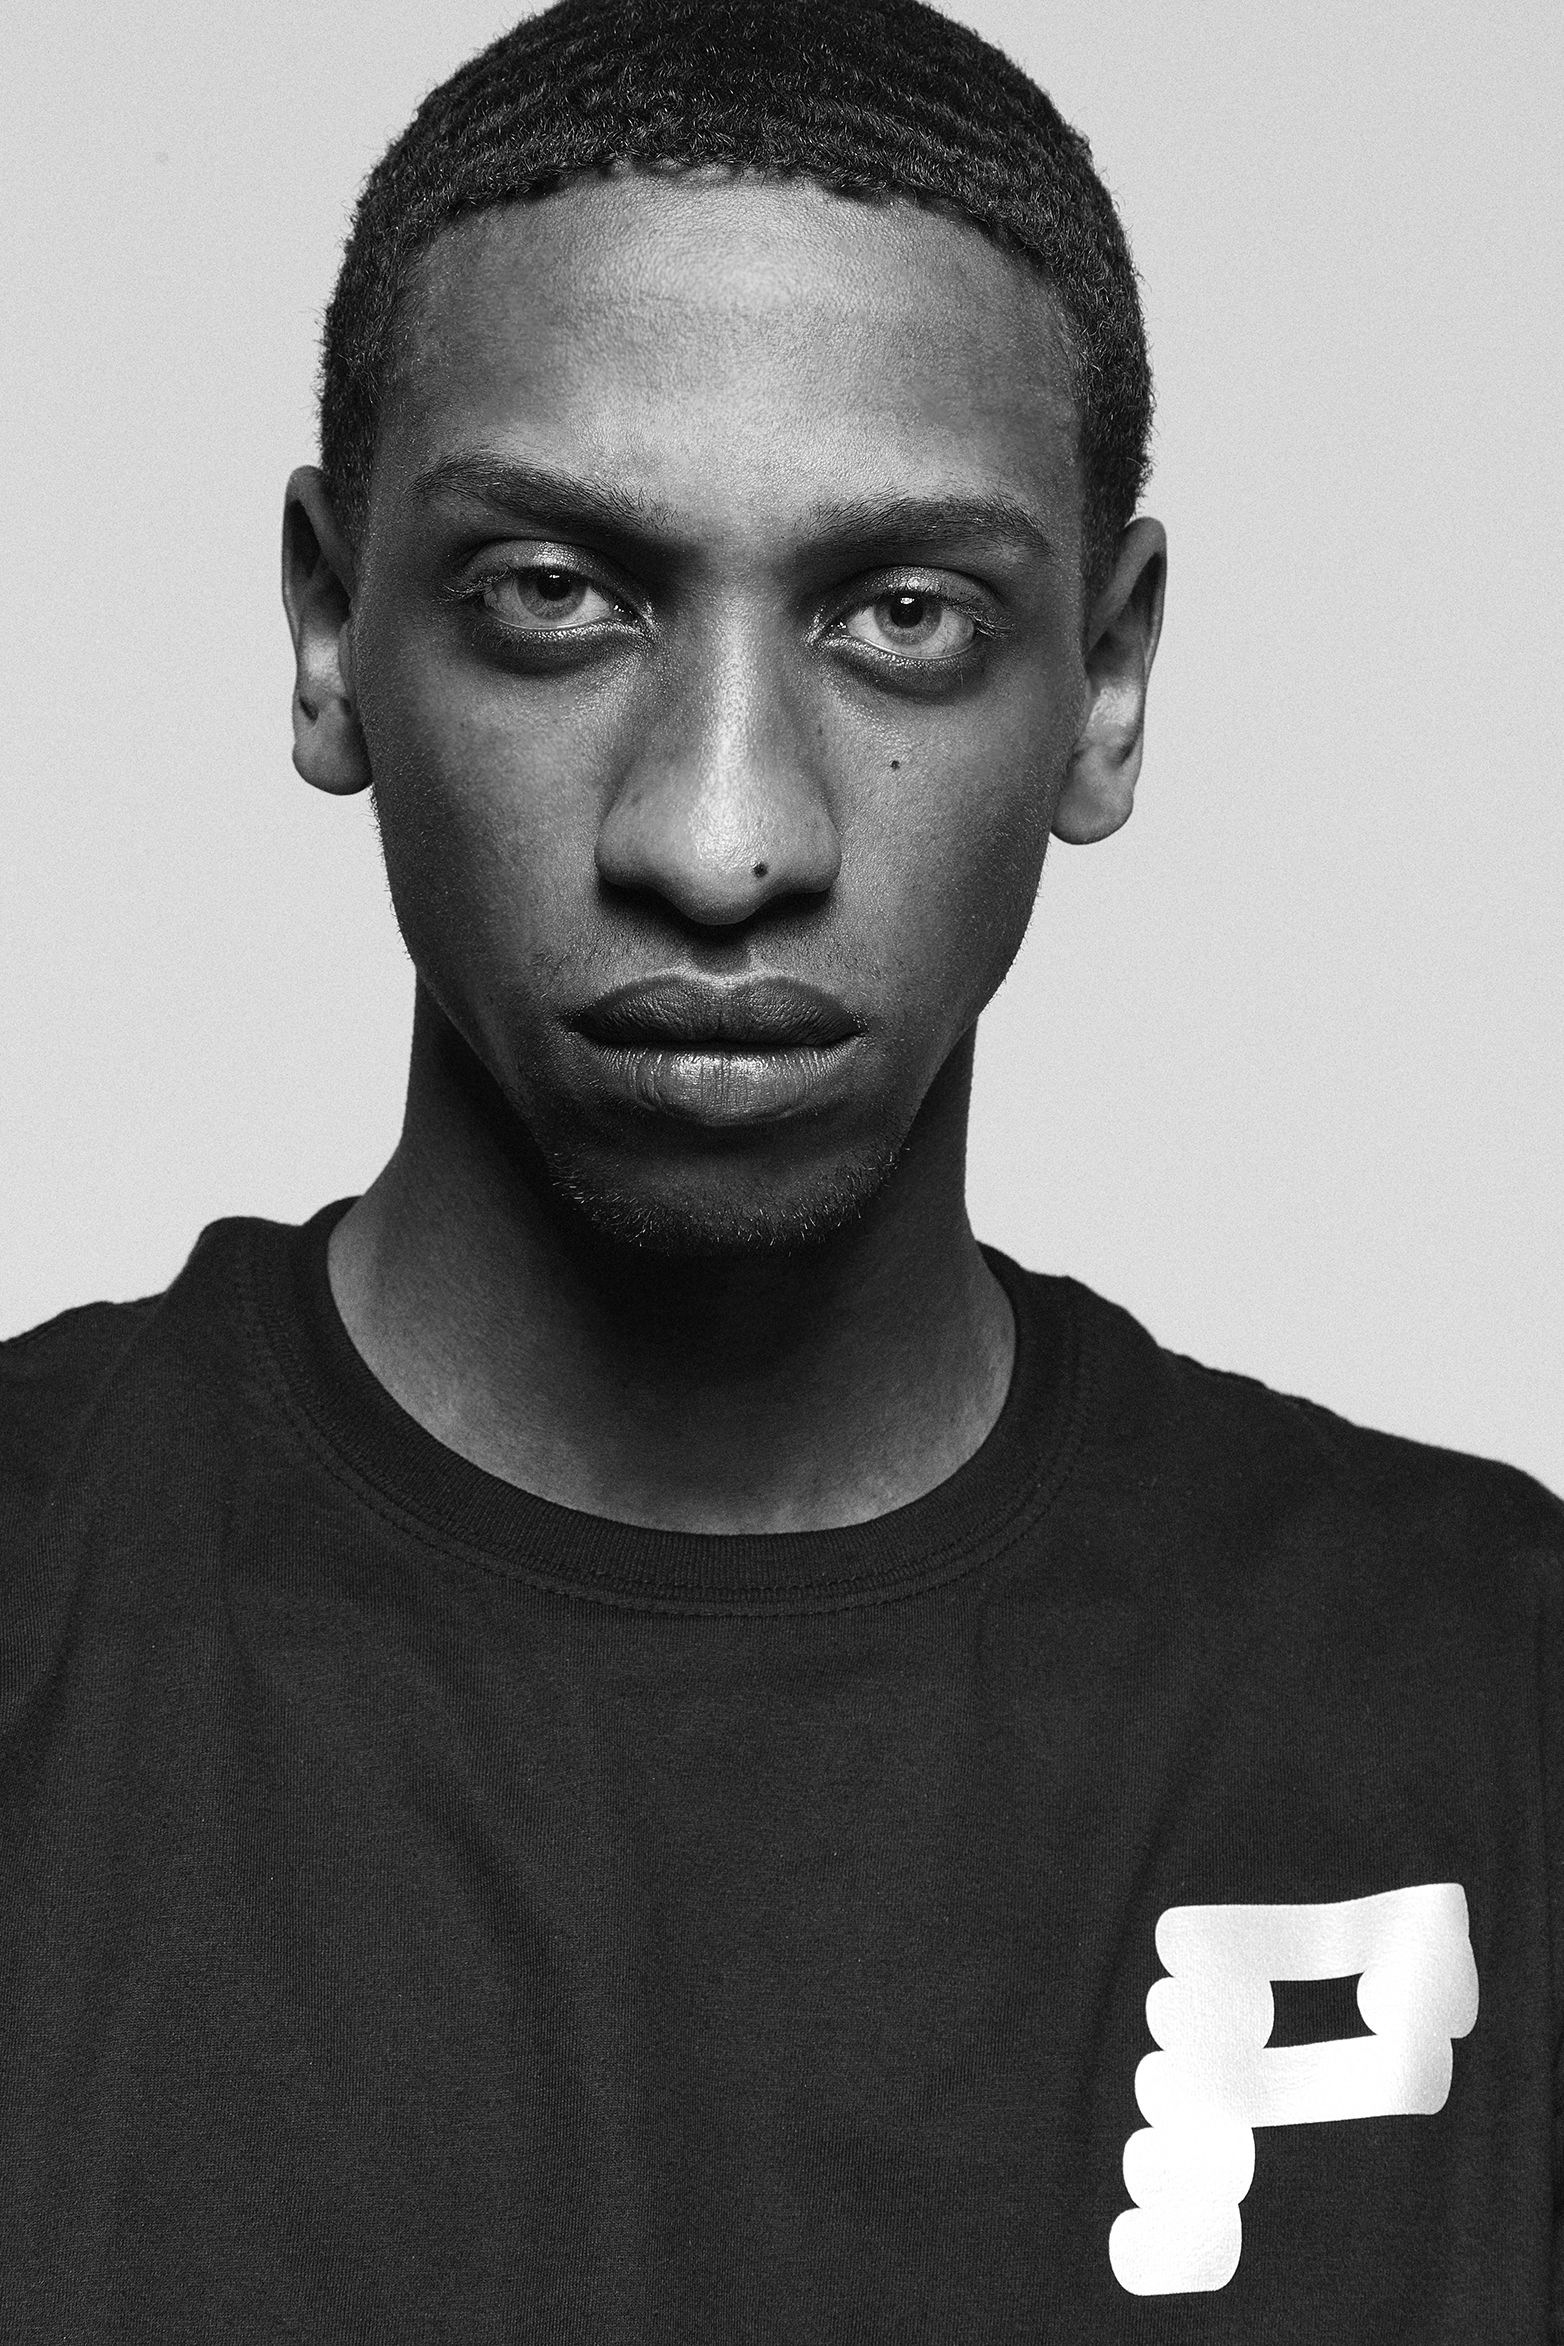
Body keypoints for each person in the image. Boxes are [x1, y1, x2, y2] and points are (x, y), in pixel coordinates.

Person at [1, 0, 1558, 2334]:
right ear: (328, 630)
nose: (720, 837)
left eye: (899, 617)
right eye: (555, 592)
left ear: (1105, 683)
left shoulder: (1490, 1710)